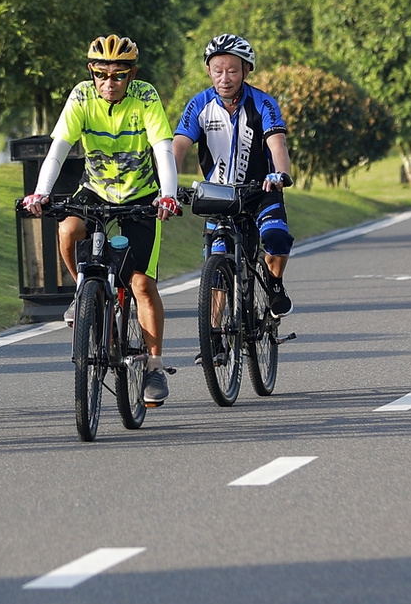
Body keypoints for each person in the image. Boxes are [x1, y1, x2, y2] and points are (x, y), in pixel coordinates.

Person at [23, 35, 181, 407]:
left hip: (141, 194)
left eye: (119, 75)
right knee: (68, 229)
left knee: (141, 284)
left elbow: (163, 149)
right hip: (96, 190)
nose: (109, 83)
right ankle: (84, 292)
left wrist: (168, 193)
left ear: (132, 75)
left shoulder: (145, 96)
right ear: (91, 73)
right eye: (101, 74)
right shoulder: (81, 96)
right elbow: (58, 150)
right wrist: (41, 192)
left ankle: (154, 366)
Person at [173, 34, 295, 316]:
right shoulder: (199, 104)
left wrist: (280, 174)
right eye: (218, 71)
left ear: (246, 70)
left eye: (232, 71)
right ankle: (213, 331)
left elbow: (277, 143)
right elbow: (178, 146)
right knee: (216, 265)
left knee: (276, 236)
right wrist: (168, 186)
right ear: (208, 71)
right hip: (218, 196)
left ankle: (275, 283)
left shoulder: (263, 103)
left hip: (261, 190)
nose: (225, 78)